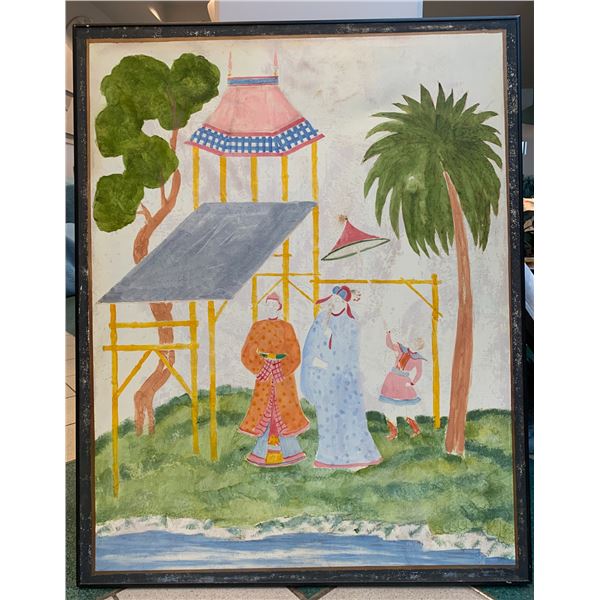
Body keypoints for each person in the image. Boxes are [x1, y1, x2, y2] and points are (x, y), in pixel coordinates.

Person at [300, 285, 382, 470]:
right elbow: (311, 343)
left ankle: (356, 457)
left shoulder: (350, 323)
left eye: (339, 300)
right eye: (333, 299)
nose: (335, 303)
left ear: (346, 303)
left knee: (349, 418)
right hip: (323, 377)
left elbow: (348, 351)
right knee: (327, 418)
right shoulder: (322, 318)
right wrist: (315, 360)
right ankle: (328, 457)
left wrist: (332, 337)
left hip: (345, 379)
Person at [240, 292, 309, 467]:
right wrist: (261, 367)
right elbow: (247, 352)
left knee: (283, 413)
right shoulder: (258, 326)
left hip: (283, 380)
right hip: (264, 378)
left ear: (279, 307)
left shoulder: (287, 327)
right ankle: (261, 453)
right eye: (268, 305)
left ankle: (290, 452)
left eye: (274, 305)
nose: (271, 308)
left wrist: (281, 368)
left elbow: (294, 353)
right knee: (264, 411)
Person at [378, 331, 426, 440]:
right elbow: (390, 345)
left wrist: (412, 383)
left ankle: (416, 429)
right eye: (414, 343)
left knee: (405, 409)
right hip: (392, 379)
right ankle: (393, 431)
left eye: (417, 345)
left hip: (403, 383)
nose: (414, 345)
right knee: (388, 406)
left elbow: (419, 373)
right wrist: (388, 334)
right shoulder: (401, 349)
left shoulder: (418, 359)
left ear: (419, 348)